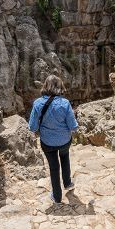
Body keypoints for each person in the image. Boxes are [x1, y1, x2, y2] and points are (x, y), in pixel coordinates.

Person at [28, 75, 78, 204]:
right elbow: (73, 126)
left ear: (45, 86)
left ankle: (57, 197)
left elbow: (32, 127)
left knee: (54, 167)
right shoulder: (65, 103)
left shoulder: (38, 103)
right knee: (65, 158)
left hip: (47, 142)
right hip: (64, 141)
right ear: (59, 86)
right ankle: (67, 183)